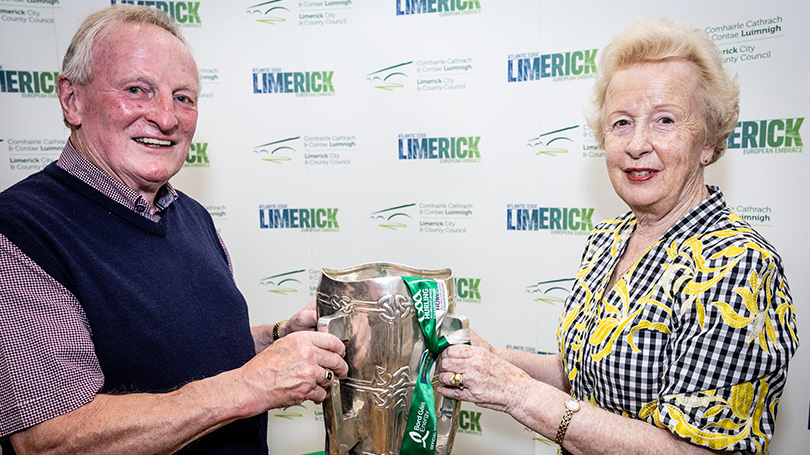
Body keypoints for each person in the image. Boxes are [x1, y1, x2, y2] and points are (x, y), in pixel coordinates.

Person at [437, 17, 798, 455]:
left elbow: (699, 451)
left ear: (708, 141)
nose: (637, 144)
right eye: (621, 123)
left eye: (664, 120)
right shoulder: (609, 239)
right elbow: (590, 376)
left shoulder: (739, 267)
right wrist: (496, 359)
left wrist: (519, 393)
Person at [0, 5, 347, 454]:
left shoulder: (192, 216)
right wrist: (248, 388)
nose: (166, 118)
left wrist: (277, 338)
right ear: (72, 100)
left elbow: (183, 354)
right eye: (137, 90)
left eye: (183, 97)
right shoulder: (20, 230)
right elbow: (50, 439)